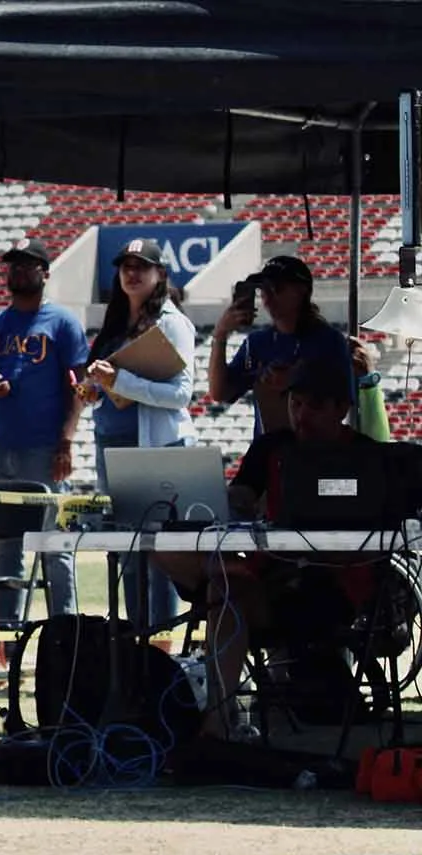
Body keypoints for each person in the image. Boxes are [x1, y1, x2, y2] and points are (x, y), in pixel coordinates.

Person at [153, 362, 400, 738]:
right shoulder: (272, 446)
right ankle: (219, 721)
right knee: (159, 550)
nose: (301, 416)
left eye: (312, 407)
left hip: (332, 588)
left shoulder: (365, 455)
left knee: (225, 589)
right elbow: (241, 495)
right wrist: (230, 500)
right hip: (267, 576)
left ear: (342, 409)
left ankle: (219, 723)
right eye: (295, 404)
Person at [81, 237, 198, 630]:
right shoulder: (115, 322)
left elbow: (182, 394)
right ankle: (135, 643)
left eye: (141, 266)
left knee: (156, 554)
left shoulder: (172, 323)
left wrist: (122, 381)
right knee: (126, 555)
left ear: (159, 274)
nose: (131, 274)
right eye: (125, 266)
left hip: (153, 449)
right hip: (112, 445)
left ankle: (159, 643)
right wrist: (92, 388)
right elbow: (110, 383)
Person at [0, 237, 85, 623]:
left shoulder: (62, 323)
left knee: (55, 547)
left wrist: (65, 442)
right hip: (1, 448)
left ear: (45, 273)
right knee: (5, 549)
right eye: (13, 265)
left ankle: (66, 632)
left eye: (28, 264)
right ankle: (8, 636)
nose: (18, 271)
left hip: (45, 449)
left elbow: (78, 390)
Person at [207, 254, 351, 434]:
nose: (267, 297)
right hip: (269, 452)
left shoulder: (330, 341)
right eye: (263, 289)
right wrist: (220, 335)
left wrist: (298, 380)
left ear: (302, 291)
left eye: (277, 288)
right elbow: (220, 393)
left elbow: (343, 404)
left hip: (316, 449)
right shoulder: (256, 343)